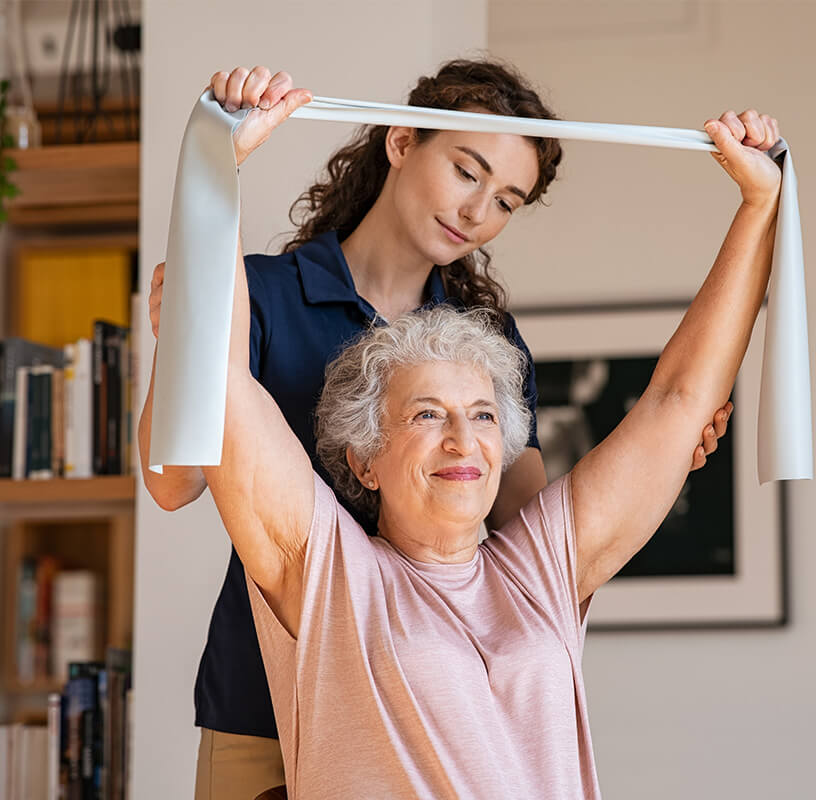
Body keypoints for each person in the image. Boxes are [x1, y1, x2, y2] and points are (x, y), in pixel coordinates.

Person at [139, 59, 742, 798]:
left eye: (506, 200)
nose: (477, 210)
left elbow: (525, 527)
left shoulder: (487, 344)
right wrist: (189, 340)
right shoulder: (261, 292)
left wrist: (658, 464)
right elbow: (172, 483)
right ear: (401, 143)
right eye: (467, 171)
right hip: (265, 694)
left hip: (436, 685)